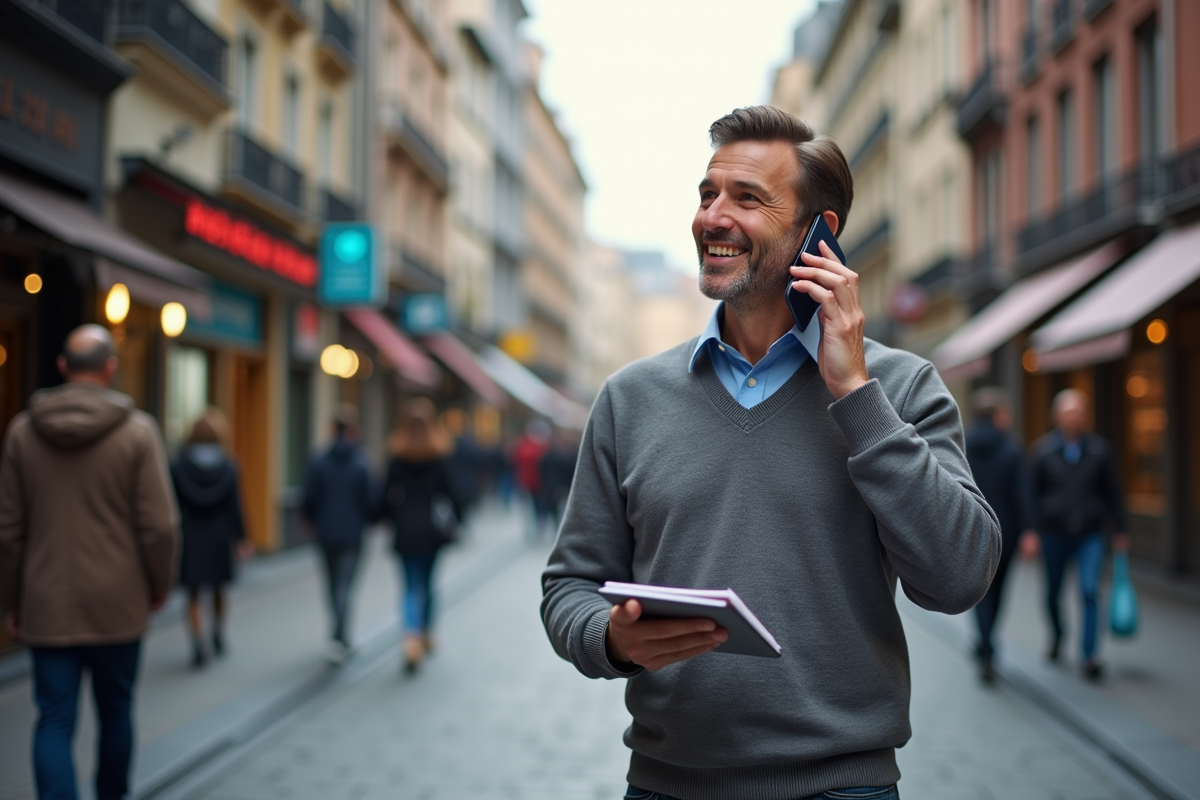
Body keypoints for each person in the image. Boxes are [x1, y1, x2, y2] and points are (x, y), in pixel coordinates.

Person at [542, 106, 1000, 800]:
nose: (712, 217)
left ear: (820, 233)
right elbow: (567, 586)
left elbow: (959, 576)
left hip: (843, 787)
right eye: (707, 194)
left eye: (747, 198)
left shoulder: (900, 388)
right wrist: (609, 638)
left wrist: (854, 391)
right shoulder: (629, 398)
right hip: (666, 787)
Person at [0, 324, 179, 800]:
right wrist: (159, 585)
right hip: (119, 602)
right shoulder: (138, 432)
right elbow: (159, 526)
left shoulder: (22, 432)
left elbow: (8, 530)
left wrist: (11, 598)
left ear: (62, 367)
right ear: (110, 368)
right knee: (116, 711)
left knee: (54, 718)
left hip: (45, 600)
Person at [1029, 389, 1128, 680]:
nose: (1075, 417)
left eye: (1079, 412)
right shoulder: (1043, 451)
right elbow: (1032, 495)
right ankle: (1058, 636)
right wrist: (1032, 531)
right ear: (1057, 417)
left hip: (1090, 533)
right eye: (1069, 412)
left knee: (1089, 590)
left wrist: (1121, 529)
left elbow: (1113, 493)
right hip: (1053, 533)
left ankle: (1090, 655)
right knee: (1052, 593)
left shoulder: (1100, 450)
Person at [382, 398, 461, 674]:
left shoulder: (396, 455)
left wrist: (389, 519)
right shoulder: (440, 455)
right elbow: (453, 494)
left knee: (409, 585)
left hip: (405, 529)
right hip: (432, 531)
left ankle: (411, 637)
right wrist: (458, 522)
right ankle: (426, 633)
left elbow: (385, 496)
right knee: (428, 584)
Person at [171, 408, 251, 668]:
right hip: (218, 535)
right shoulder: (228, 466)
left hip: (191, 535)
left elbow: (171, 504)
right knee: (218, 588)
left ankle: (197, 643)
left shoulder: (179, 466)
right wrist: (242, 537)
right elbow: (235, 506)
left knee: (193, 592)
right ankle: (217, 632)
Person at [965, 388, 1035, 683]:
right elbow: (1022, 494)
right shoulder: (1011, 449)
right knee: (999, 591)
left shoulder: (961, 443)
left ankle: (984, 644)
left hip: (968, 531)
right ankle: (989, 643)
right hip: (1004, 533)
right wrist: (1029, 531)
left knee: (978, 593)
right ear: (997, 416)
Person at [302, 404, 375, 664]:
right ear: (353, 430)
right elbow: (370, 500)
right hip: (352, 533)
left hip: (326, 532)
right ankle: (340, 635)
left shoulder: (319, 460)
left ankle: (338, 634)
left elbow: (309, 496)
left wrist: (310, 520)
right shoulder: (361, 461)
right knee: (346, 584)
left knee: (333, 584)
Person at [511, 419, 551, 539]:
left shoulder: (526, 445)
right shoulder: (535, 446)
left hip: (536, 482)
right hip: (529, 482)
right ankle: (535, 527)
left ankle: (536, 527)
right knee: (531, 506)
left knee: (536, 506)